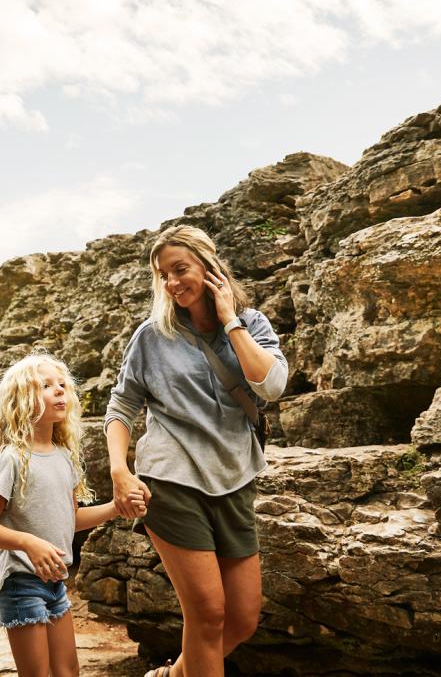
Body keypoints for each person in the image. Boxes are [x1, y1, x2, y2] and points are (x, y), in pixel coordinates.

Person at [104, 225, 288, 677]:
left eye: (179, 269)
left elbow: (272, 386)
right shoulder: (152, 336)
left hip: (234, 479)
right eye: (162, 274)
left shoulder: (254, 324)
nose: (170, 283)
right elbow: (121, 407)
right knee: (207, 614)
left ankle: (171, 675)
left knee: (242, 617)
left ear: (208, 266)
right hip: (172, 479)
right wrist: (120, 472)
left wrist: (230, 321)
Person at [0, 353, 145, 677]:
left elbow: (71, 519)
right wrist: (29, 544)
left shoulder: (65, 457)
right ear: (22, 399)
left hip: (55, 582)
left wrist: (115, 507)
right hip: (21, 582)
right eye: (46, 385)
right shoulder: (13, 459)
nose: (59, 391)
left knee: (69, 673)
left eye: (62, 385)